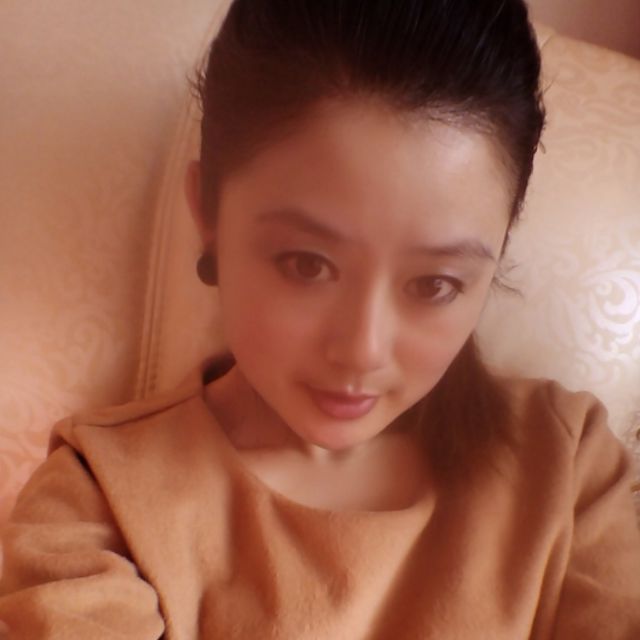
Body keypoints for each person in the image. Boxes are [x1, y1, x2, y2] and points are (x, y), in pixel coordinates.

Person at [1, 0, 639, 637]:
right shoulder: (102, 502)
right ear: (208, 216)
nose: (361, 351)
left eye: (435, 284)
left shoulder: (568, 472)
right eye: (306, 265)